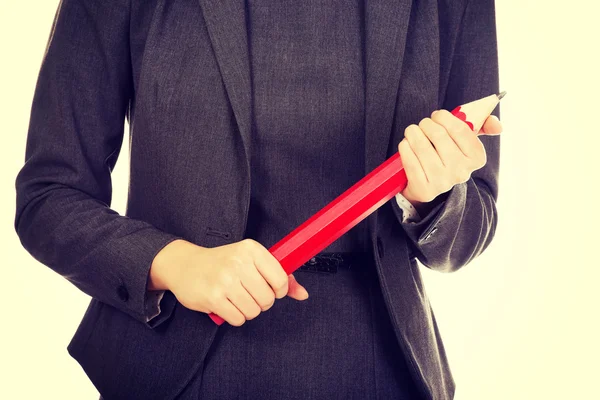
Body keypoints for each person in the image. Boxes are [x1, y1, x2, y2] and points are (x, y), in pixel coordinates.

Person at [14, 0, 502, 399]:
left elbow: (474, 218)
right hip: (180, 368)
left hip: (380, 368)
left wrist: (432, 199)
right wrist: (175, 263)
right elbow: (49, 197)